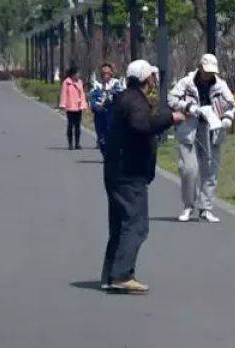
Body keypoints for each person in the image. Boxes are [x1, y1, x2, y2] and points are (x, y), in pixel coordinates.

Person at [100, 60, 186, 294]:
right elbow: (142, 125)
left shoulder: (126, 98)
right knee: (136, 225)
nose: (154, 81)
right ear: (146, 79)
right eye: (152, 77)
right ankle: (122, 275)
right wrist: (171, 118)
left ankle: (111, 274)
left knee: (120, 225)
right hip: (129, 173)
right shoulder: (135, 101)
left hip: (117, 170)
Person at [168, 54, 235, 223]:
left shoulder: (220, 85)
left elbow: (231, 104)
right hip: (189, 129)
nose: (209, 75)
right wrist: (189, 107)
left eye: (212, 72)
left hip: (212, 129)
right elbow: (171, 98)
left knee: (210, 169)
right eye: (206, 71)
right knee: (188, 170)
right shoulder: (186, 82)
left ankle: (206, 208)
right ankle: (188, 206)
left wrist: (227, 117)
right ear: (200, 68)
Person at [88, 62, 124, 153]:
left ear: (111, 73)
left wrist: (108, 101)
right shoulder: (97, 86)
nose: (105, 75)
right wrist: (98, 107)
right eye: (103, 73)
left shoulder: (116, 84)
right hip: (100, 116)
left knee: (113, 137)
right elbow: (92, 100)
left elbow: (120, 97)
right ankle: (106, 154)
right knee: (102, 139)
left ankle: (112, 156)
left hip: (113, 115)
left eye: (107, 73)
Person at [59, 67, 88, 150]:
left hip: (78, 107)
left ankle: (77, 143)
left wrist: (84, 105)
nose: (78, 75)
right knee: (70, 125)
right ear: (73, 74)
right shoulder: (66, 82)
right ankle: (70, 143)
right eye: (77, 73)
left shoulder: (80, 82)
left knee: (78, 126)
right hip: (70, 107)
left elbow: (82, 95)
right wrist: (63, 105)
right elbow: (63, 94)